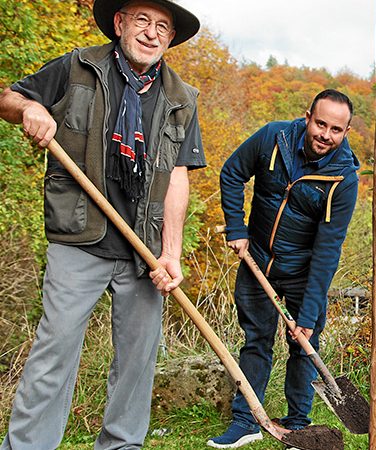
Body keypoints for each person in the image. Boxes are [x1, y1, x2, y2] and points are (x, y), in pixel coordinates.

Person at [0, 0, 205, 448]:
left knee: (137, 363)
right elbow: (8, 98)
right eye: (143, 21)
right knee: (54, 352)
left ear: (170, 39)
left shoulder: (181, 99)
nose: (152, 33)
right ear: (120, 23)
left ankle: (122, 445)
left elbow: (177, 178)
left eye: (163, 27)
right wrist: (29, 110)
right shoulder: (79, 67)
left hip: (145, 252)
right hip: (79, 238)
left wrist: (171, 253)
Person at [210, 89, 359, 448]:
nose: (325, 134)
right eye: (320, 123)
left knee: (304, 345)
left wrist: (307, 315)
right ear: (307, 117)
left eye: (336, 129)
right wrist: (235, 228)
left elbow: (328, 250)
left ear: (346, 131)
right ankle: (246, 421)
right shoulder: (273, 138)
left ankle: (297, 425)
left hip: (302, 272)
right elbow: (232, 173)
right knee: (256, 341)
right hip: (256, 258)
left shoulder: (343, 180)